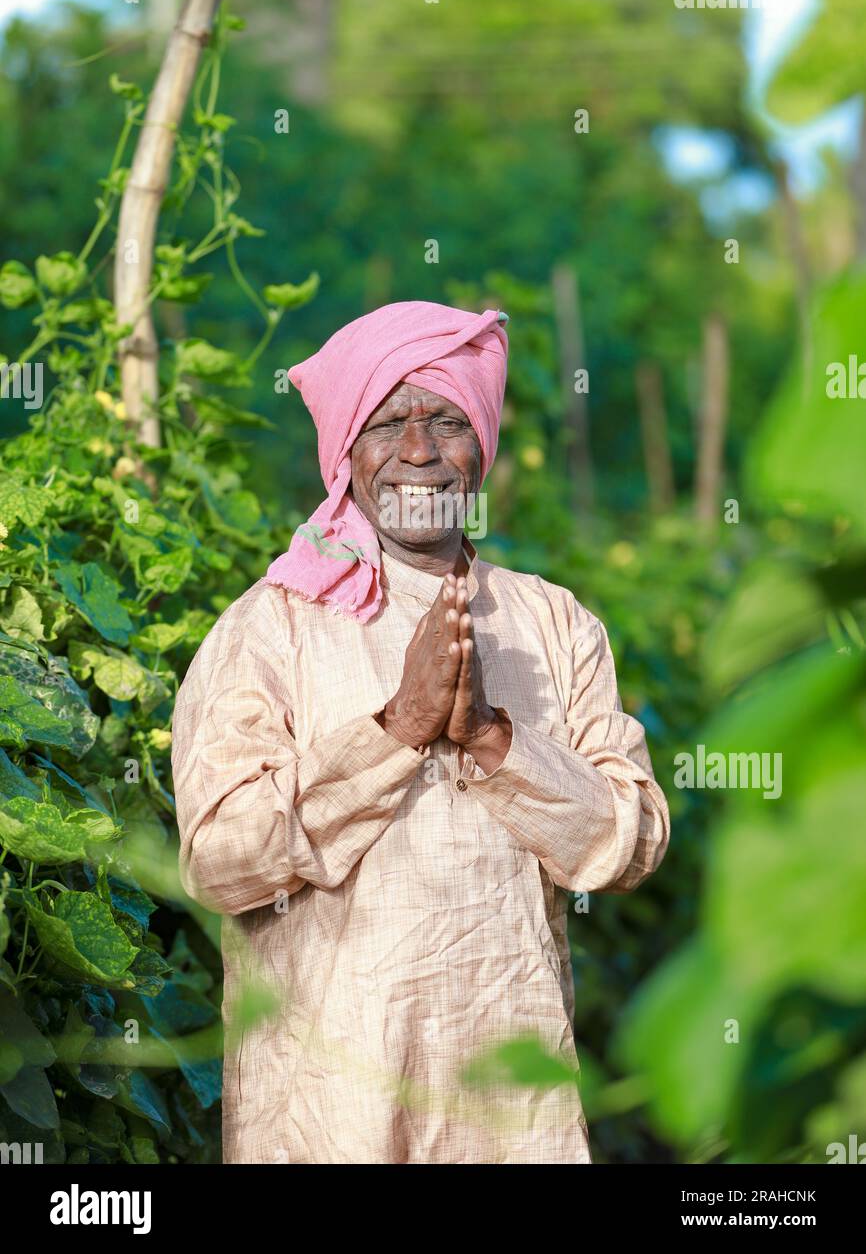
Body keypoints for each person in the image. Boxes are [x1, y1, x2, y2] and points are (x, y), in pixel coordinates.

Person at [171, 299, 670, 1164]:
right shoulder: (273, 627)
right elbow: (219, 861)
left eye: (446, 419)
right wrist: (396, 729)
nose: (418, 452)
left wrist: (490, 738)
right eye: (386, 423)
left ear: (481, 443)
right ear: (343, 454)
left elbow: (630, 845)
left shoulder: (553, 624)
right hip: (330, 1116)